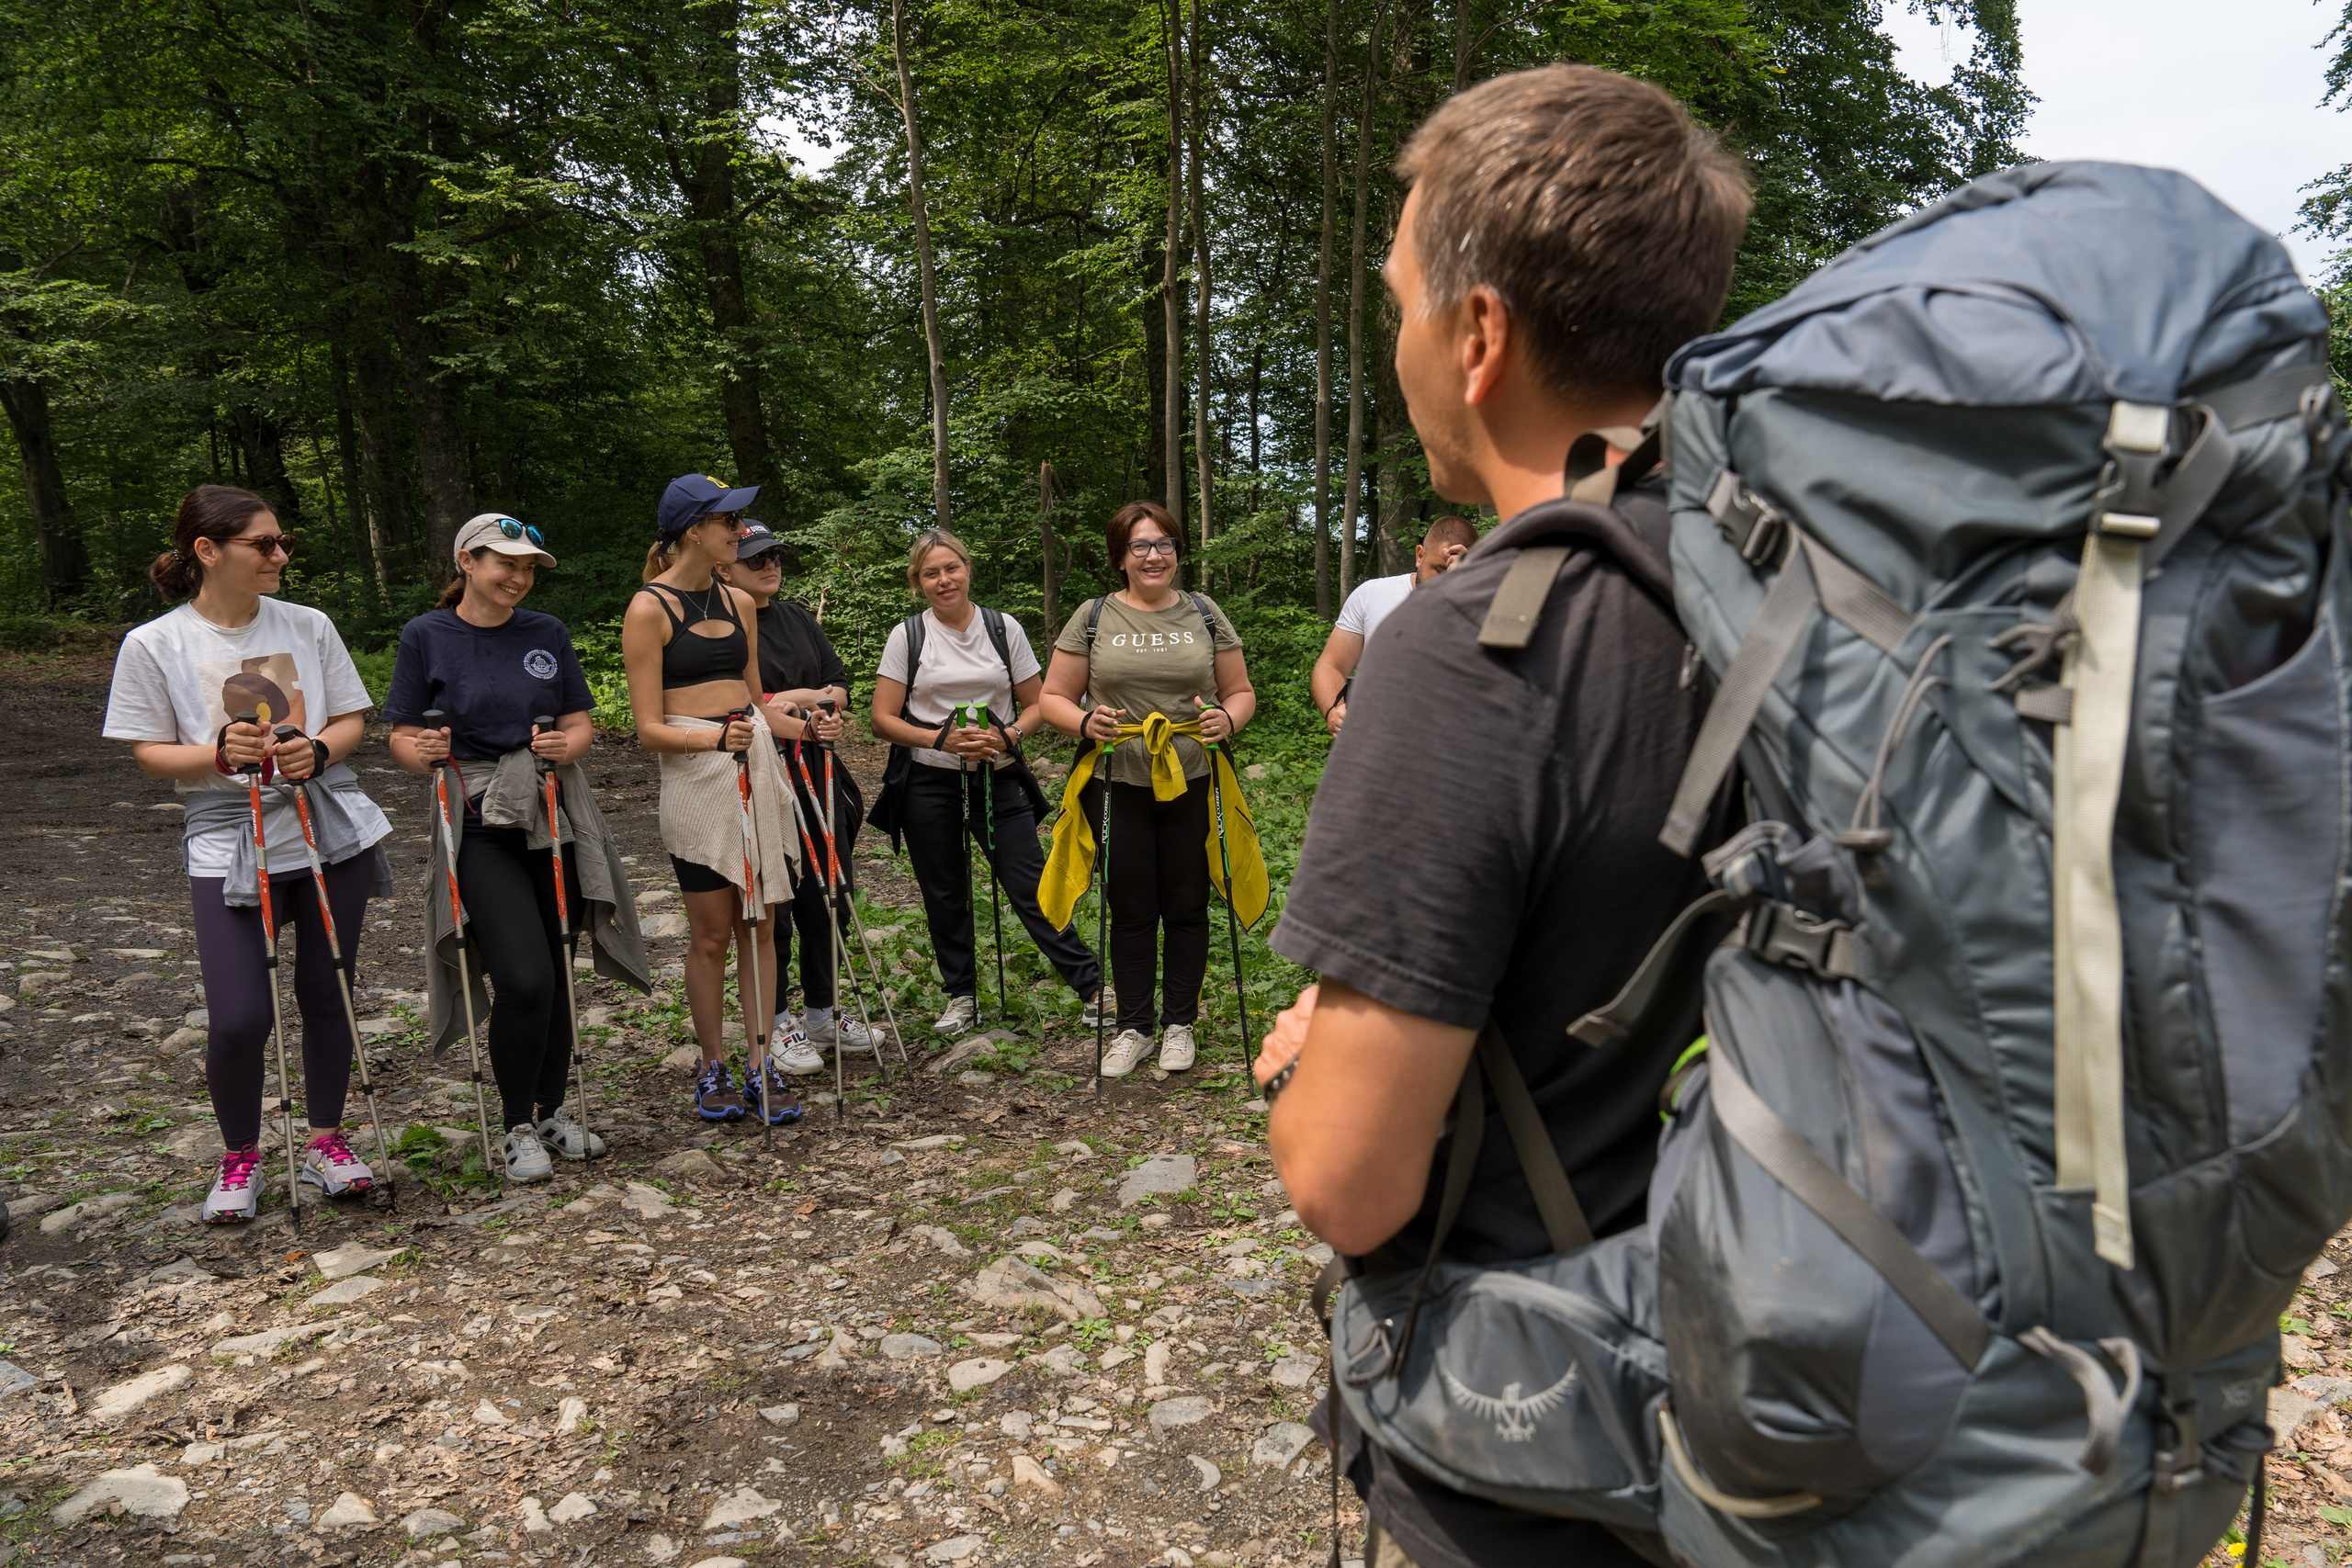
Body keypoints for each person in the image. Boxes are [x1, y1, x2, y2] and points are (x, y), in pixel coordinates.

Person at [1250, 67, 1752, 1568]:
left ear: (1477, 336)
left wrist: (1302, 1067)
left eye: (1402, 293)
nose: (1396, 333)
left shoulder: (1477, 649)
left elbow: (1349, 1180)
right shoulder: (1818, 602)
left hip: (1555, 1461)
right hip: (1835, 1399)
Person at [102, 484, 395, 1223]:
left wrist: (320, 748)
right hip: (226, 836)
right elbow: (147, 752)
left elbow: (355, 717)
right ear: (207, 550)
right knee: (237, 1016)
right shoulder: (156, 642)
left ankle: (326, 1138)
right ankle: (240, 1153)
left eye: (283, 542)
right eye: (263, 544)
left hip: (328, 829)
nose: (279, 555)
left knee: (328, 991)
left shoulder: (309, 623)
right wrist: (216, 752)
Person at [387, 513, 650, 1180]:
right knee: (524, 976)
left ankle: (552, 1110)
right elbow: (401, 734)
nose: (519, 577)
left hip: (550, 813)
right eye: (506, 563)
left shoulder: (546, 633)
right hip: (476, 819)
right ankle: (515, 1126)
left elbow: (579, 720)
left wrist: (570, 744)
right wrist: (423, 752)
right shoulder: (427, 635)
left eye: (529, 567)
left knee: (559, 969)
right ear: (467, 562)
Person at [1036, 502, 1254, 1077]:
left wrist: (1227, 720)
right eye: (1141, 546)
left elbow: (1240, 691)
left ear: (1178, 552)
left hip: (1193, 774)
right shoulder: (1092, 617)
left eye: (1164, 544)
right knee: (1130, 907)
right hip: (1115, 777)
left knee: (1186, 903)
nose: (1154, 555)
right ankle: (1133, 1027)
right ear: (1121, 557)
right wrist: (1084, 723)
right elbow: (1052, 698)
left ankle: (1180, 1025)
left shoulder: (1205, 614)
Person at [868, 529, 1104, 1039]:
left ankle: (1092, 988)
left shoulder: (1002, 628)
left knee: (1031, 882)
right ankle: (962, 997)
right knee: (944, 891)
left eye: (950, 568)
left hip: (997, 779)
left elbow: (1039, 703)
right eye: (930, 573)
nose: (943, 580)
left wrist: (1010, 735)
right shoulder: (907, 635)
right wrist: (940, 740)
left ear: (967, 569)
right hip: (929, 782)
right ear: (918, 581)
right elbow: (882, 719)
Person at [622, 474, 802, 1122]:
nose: (741, 531)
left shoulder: (740, 602)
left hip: (751, 765)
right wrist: (712, 740)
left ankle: (761, 1064)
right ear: (695, 529)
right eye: (730, 520)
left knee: (762, 921)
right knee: (711, 932)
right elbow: (647, 729)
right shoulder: (649, 608)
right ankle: (711, 1065)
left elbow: (757, 701)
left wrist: (804, 725)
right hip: (697, 779)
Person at [715, 520, 874, 1069]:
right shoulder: (721, 624)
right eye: (755, 558)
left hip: (818, 767)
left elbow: (840, 689)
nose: (770, 565)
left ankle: (823, 1012)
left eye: (775, 555)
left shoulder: (798, 618)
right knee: (775, 900)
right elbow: (747, 701)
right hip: (758, 775)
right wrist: (787, 702)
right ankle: (777, 1020)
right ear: (724, 566)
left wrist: (794, 699)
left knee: (830, 891)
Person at [1311, 514, 1478, 735]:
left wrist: (1467, 591)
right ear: (1420, 556)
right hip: (1374, 743)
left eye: (1454, 573)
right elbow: (1330, 665)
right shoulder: (1371, 594)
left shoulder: (1484, 608)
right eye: (1437, 569)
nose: (1443, 584)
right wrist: (1334, 710)